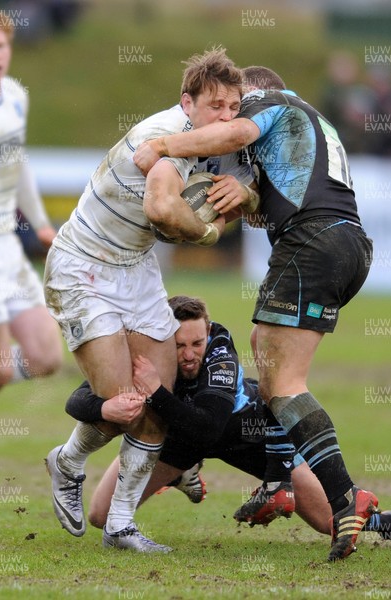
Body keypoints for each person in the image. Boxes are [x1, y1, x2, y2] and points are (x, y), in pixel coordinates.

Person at [133, 65, 381, 561]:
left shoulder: (272, 104)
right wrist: (244, 196)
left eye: (236, 101)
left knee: (284, 381)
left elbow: (237, 131)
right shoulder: (311, 125)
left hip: (311, 242)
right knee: (270, 370)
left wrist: (162, 146)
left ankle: (345, 494)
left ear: (254, 93)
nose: (232, 111)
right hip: (348, 245)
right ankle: (277, 480)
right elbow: (267, 203)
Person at [43, 48, 247, 553]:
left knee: (158, 397)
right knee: (126, 405)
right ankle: (67, 462)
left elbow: (250, 189)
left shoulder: (207, 140)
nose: (225, 117)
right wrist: (208, 234)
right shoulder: (164, 143)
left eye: (233, 107)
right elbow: (161, 210)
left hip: (134, 269)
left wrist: (245, 194)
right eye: (214, 106)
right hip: (83, 266)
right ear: (187, 103)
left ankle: (121, 524)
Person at [67, 295, 391, 552]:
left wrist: (155, 392)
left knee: (327, 521)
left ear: (208, 332)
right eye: (178, 345)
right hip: (180, 439)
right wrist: (107, 408)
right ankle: (180, 471)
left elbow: (208, 426)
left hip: (245, 432)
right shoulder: (150, 348)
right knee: (102, 516)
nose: (188, 355)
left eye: (196, 343)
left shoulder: (220, 346)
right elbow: (77, 400)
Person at [0, 6, 63, 493]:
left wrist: (41, 224)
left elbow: (17, 164)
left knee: (46, 356)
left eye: (0, 46)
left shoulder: (17, 98)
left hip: (5, 244)